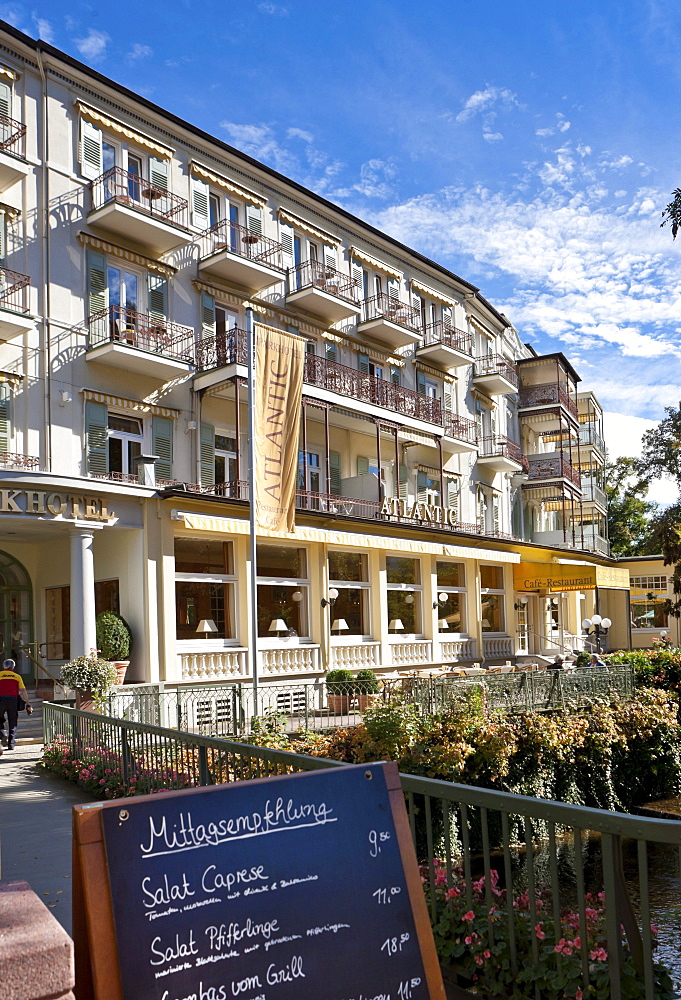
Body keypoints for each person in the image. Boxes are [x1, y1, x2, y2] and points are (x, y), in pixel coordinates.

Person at [0, 658, 33, 751]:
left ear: (3, 666)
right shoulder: (17, 676)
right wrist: (28, 703)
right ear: (13, 667)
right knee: (13, 722)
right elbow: (23, 690)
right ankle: (11, 743)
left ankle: (2, 734)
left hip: (0, 700)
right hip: (12, 700)